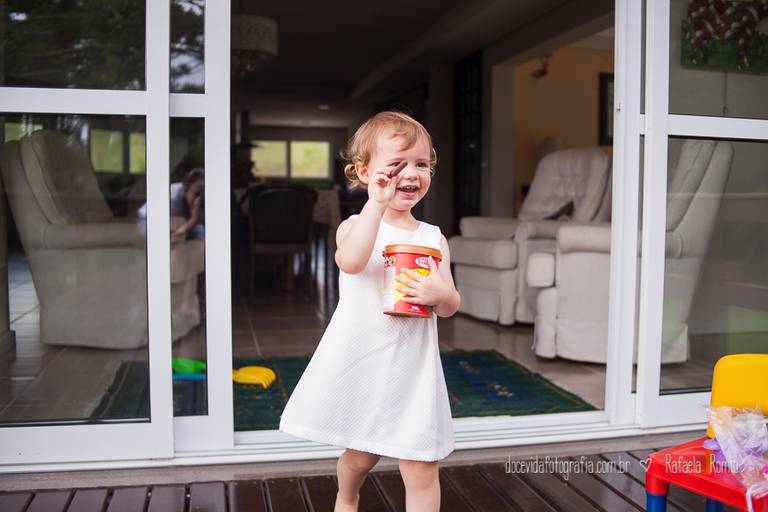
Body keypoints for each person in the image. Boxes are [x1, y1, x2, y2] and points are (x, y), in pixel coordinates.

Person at [278, 111, 460, 512]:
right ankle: (348, 495)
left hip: (414, 370)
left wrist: (439, 293)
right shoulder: (355, 226)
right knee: (361, 456)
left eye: (422, 164)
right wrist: (375, 207)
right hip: (366, 361)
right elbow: (352, 261)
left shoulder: (433, 237)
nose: (411, 174)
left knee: (422, 464)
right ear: (364, 172)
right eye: (397, 165)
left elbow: (450, 304)